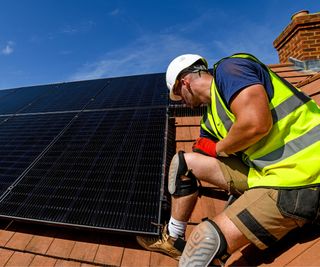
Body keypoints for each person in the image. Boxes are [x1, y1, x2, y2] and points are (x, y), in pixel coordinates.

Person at [137, 53, 320, 266]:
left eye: (180, 96)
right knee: (182, 163)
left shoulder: (231, 69)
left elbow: (255, 124)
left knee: (202, 244)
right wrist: (206, 149)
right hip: (267, 171)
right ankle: (174, 238)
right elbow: (203, 152)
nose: (184, 103)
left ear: (184, 83)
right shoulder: (209, 118)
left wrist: (219, 147)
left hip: (305, 176)